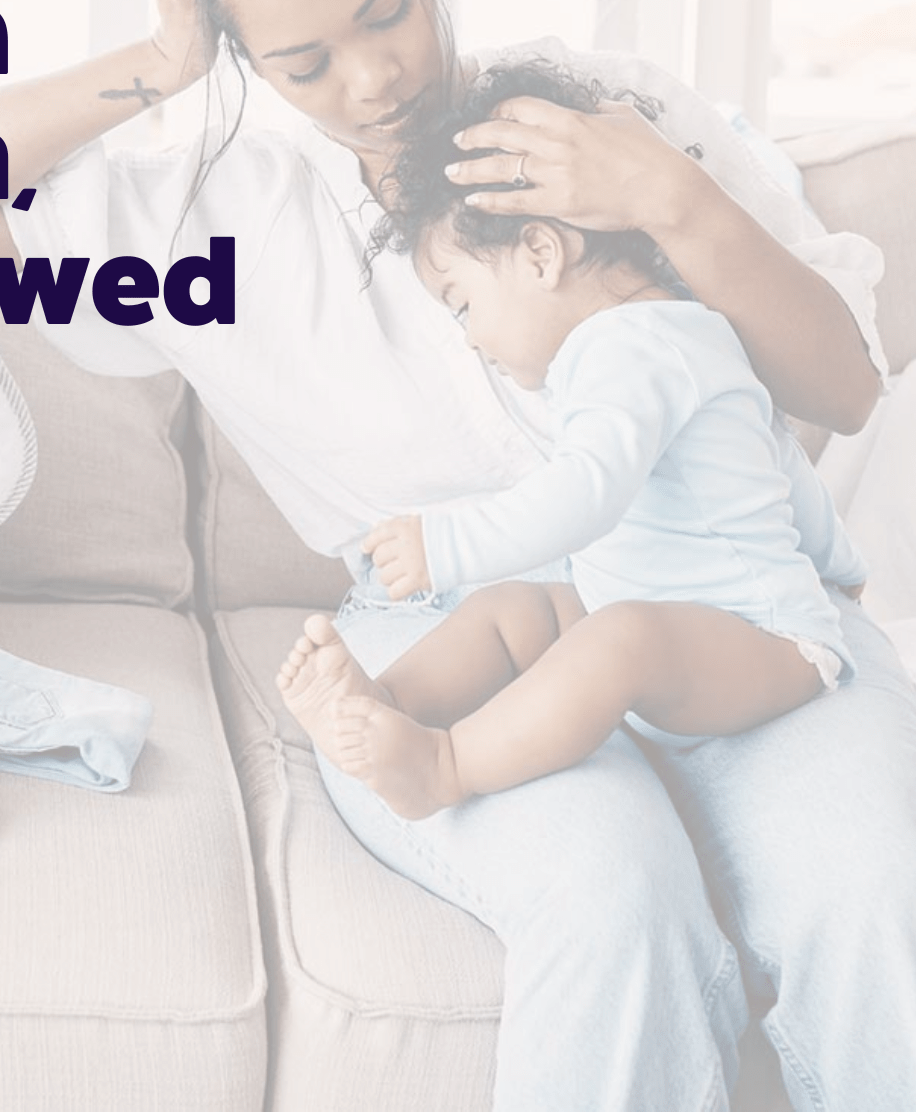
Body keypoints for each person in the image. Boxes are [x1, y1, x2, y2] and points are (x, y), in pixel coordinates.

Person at [0, 0, 916, 1111]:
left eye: (386, 9)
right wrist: (161, 61)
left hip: (732, 598)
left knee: (896, 900)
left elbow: (849, 388)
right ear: (248, 57)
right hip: (452, 639)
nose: (373, 80)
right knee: (619, 907)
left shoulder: (606, 116)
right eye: (301, 60)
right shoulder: (209, 208)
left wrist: (673, 199)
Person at [279, 59, 867, 823]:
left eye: (462, 304)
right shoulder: (671, 336)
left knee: (618, 637)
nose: (471, 340)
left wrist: (445, 545)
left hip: (765, 646)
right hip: (677, 632)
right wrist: (841, 562)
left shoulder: (638, 347)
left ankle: (444, 766)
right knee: (515, 612)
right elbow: (778, 463)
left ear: (540, 254)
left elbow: (585, 495)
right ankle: (386, 705)